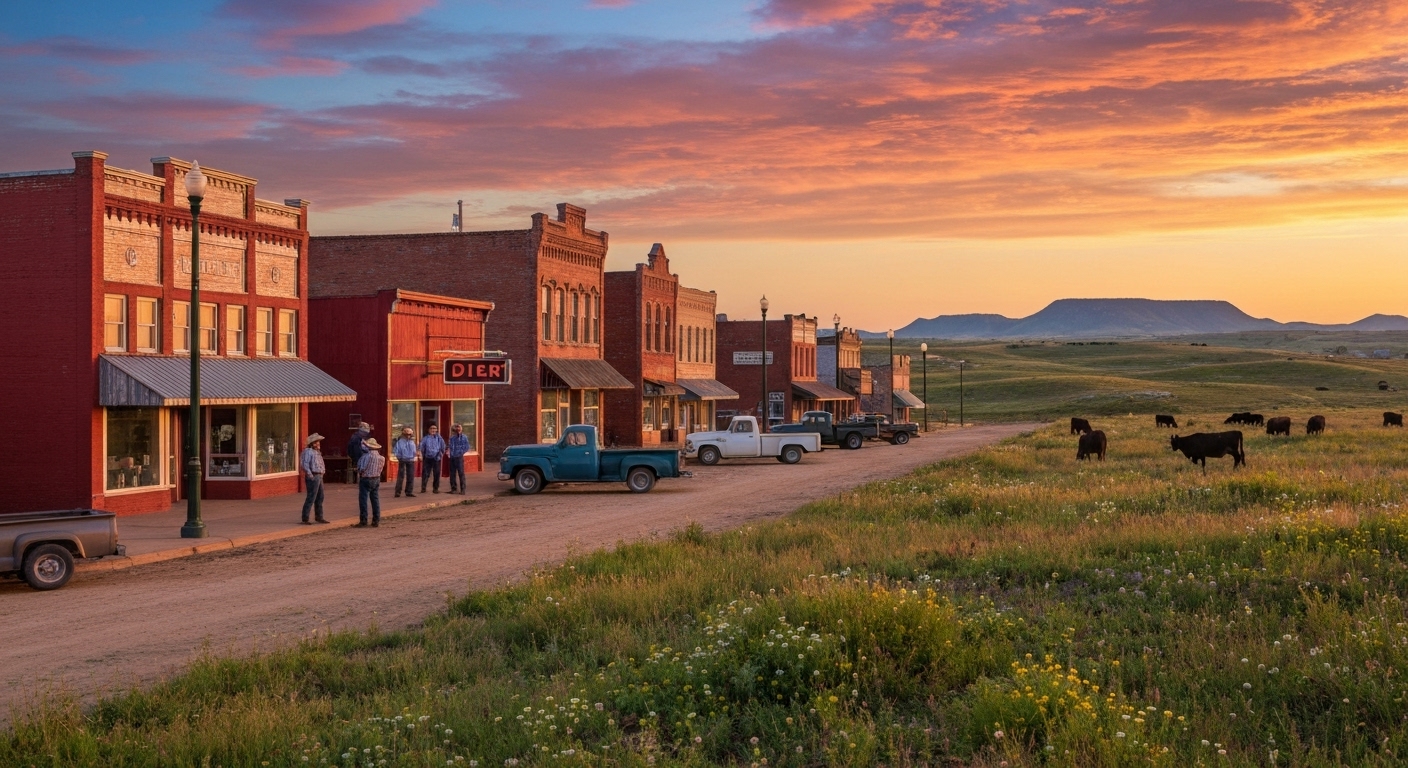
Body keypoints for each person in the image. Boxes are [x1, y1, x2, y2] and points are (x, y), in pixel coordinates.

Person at [300, 433, 329, 524]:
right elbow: (305, 464)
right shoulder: (308, 451)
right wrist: (310, 475)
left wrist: (322, 472)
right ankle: (305, 518)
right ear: (312, 443)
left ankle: (319, 516)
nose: (318, 444)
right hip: (314, 475)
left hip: (319, 476)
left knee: (320, 497)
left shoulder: (317, 452)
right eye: (316, 442)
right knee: (311, 497)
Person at [357, 438, 386, 527]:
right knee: (375, 499)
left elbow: (362, 468)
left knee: (363, 500)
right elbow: (381, 469)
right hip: (376, 478)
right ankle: (376, 520)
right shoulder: (381, 458)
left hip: (366, 478)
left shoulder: (366, 456)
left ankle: (363, 520)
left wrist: (360, 471)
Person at [419, 424, 446, 494]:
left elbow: (443, 447)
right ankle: (423, 488)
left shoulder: (439, 438)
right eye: (431, 428)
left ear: (437, 430)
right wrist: (421, 455)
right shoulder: (425, 438)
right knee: (425, 473)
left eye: (434, 428)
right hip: (427, 458)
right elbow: (421, 447)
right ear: (428, 430)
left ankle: (435, 489)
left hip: (436, 458)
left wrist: (440, 454)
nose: (433, 430)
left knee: (436, 473)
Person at [393, 427, 419, 498]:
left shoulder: (412, 442)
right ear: (403, 434)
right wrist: (399, 457)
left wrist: (415, 456)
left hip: (410, 460)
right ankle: (398, 492)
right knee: (400, 477)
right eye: (407, 434)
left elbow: (414, 451)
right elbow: (396, 450)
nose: (408, 436)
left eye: (409, 434)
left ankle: (409, 491)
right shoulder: (399, 441)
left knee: (410, 476)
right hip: (402, 460)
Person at [447, 423, 470, 494]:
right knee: (452, 474)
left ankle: (463, 490)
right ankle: (453, 489)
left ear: (461, 429)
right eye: (456, 428)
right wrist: (449, 452)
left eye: (459, 428)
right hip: (452, 457)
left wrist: (461, 453)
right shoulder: (452, 438)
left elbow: (467, 447)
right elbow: (449, 446)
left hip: (459, 457)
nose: (458, 429)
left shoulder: (464, 437)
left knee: (461, 473)